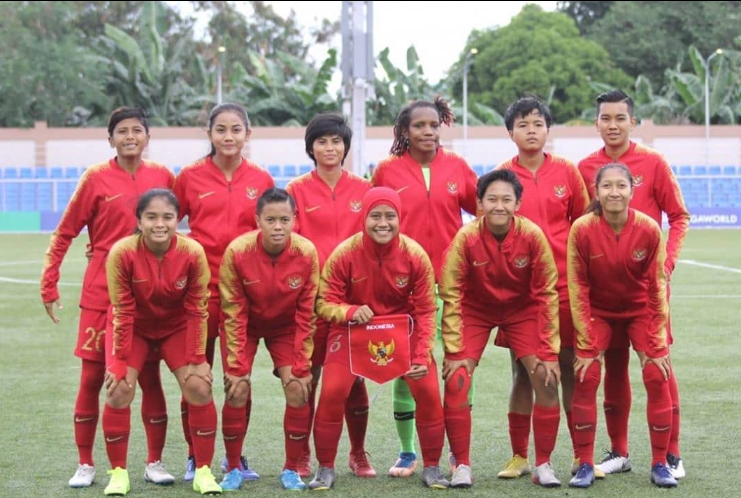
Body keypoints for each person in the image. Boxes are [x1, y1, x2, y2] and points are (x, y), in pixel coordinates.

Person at [40, 107, 176, 488]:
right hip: (101, 295)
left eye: (137, 130)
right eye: (121, 131)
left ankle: (155, 461)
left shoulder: (163, 176)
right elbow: (65, 232)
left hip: (150, 295)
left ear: (147, 137)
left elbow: (174, 230)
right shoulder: (96, 178)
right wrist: (48, 284)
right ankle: (86, 464)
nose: (130, 136)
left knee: (149, 377)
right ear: (110, 138)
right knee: (92, 378)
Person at [578, 91, 689, 478]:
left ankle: (671, 454)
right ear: (596, 123)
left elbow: (679, 215)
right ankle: (619, 452)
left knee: (659, 366)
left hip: (648, 289)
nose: (612, 125)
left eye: (620, 118)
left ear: (632, 122)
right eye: (605, 118)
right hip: (604, 294)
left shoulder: (653, 162)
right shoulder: (585, 167)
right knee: (613, 366)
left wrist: (667, 263)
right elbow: (581, 227)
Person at [310, 187, 449, 490]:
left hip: (403, 330)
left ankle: (434, 468)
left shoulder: (415, 256)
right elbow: (324, 303)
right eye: (375, 216)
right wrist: (349, 311)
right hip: (351, 331)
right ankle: (325, 468)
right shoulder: (344, 254)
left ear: (400, 219)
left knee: (426, 388)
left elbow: (426, 309)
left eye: (390, 216)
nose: (382, 223)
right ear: (364, 217)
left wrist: (422, 353)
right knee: (333, 390)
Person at [371, 97, 478, 477]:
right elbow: (373, 222)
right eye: (419, 126)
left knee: (457, 362)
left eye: (434, 124)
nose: (428, 132)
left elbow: (482, 210)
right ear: (404, 131)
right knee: (408, 366)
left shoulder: (458, 167)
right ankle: (406, 451)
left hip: (454, 281)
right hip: (404, 282)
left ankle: (457, 451)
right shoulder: (387, 170)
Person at [440, 169, 562, 488]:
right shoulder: (465, 238)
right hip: (476, 310)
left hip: (523, 310)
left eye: (506, 199)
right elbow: (451, 293)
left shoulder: (533, 236)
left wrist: (549, 352)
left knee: (547, 380)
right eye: (491, 199)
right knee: (456, 380)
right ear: (479, 203)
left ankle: (543, 464)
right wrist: (454, 351)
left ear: (517, 203)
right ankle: (462, 466)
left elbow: (547, 294)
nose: (499, 206)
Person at [173, 102, 274, 481]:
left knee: (238, 377)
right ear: (210, 133)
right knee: (196, 377)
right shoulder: (189, 177)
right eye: (221, 130)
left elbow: (272, 231)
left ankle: (235, 458)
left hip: (243, 297)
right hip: (198, 295)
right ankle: (193, 455)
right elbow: (164, 220)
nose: (228, 137)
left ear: (248, 134)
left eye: (236, 130)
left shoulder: (262, 179)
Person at [496, 97, 594, 479]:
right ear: (511, 133)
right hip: (518, 293)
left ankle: (576, 456)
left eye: (538, 123)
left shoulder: (568, 172)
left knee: (567, 370)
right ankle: (520, 456)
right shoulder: (503, 175)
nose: (531, 130)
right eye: (523, 124)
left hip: (564, 289)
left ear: (548, 130)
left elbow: (583, 226)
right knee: (522, 374)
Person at [103, 189, 221, 496]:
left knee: (199, 386)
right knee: (118, 389)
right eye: (151, 217)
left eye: (167, 217)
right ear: (139, 221)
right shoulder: (122, 252)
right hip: (135, 328)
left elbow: (197, 308)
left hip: (175, 328)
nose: (160, 224)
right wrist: (118, 362)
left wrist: (197, 357)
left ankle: (204, 471)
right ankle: (118, 473)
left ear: (177, 220)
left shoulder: (192, 252)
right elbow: (123, 311)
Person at [567, 163, 677, 489]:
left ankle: (660, 463)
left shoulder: (648, 229)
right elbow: (578, 286)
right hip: (599, 312)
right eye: (607, 187)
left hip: (640, 310)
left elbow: (657, 287)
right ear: (596, 192)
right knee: (586, 374)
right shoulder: (583, 229)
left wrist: (656, 342)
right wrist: (587, 345)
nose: (614, 192)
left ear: (632, 190)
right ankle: (585, 463)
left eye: (621, 186)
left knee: (657, 374)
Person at [285, 113, 374, 478]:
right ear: (311, 148)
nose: (329, 148)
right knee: (309, 376)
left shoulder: (364, 189)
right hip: (311, 302)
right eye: (321, 142)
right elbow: (290, 244)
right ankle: (303, 456)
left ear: (345, 147)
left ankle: (358, 453)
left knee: (355, 378)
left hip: (356, 303)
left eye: (336, 141)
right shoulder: (296, 191)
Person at [218, 188, 319, 491]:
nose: (278, 226)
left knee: (299, 389)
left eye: (284, 219)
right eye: (271, 219)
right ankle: (233, 467)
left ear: (294, 220)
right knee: (236, 390)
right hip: (245, 326)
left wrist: (301, 366)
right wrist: (236, 367)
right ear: (257, 220)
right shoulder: (237, 251)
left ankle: (291, 469)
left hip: (286, 328)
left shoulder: (306, 253)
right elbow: (233, 312)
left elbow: (307, 314)